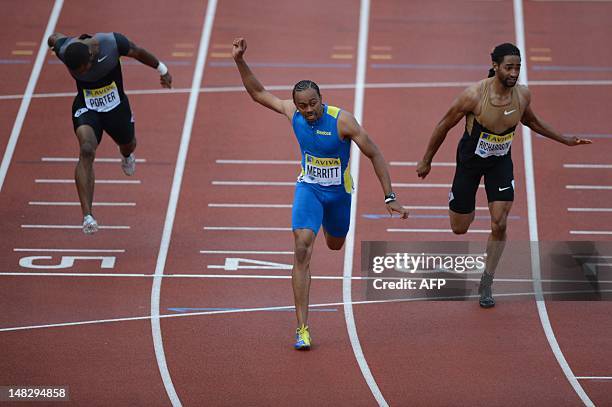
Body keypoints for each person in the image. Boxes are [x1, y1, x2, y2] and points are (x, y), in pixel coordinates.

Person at [232, 37, 408, 350]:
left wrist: (389, 195)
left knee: (335, 244)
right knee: (302, 247)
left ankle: (329, 226)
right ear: (296, 105)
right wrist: (240, 61)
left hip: (339, 194)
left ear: (321, 99)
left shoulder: (342, 121)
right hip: (309, 189)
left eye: (313, 103)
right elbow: (258, 93)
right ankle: (302, 328)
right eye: (303, 105)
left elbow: (375, 153)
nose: (309, 110)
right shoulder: (292, 113)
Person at [416, 43, 591, 308]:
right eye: (509, 67)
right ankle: (464, 204)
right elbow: (444, 124)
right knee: (459, 227)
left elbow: (531, 121)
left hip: (500, 163)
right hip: (470, 161)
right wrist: (426, 159)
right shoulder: (474, 95)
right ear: (495, 66)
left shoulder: (522, 95)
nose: (514, 72)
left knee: (499, 222)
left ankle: (487, 279)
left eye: (518, 67)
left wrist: (564, 140)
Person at [47, 32, 172, 234]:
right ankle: (88, 216)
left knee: (129, 143)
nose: (82, 74)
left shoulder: (111, 43)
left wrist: (162, 70)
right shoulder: (65, 50)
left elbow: (138, 52)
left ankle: (126, 155)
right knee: (86, 149)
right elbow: (54, 38)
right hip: (87, 106)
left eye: (83, 70)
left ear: (89, 58)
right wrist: (50, 44)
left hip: (116, 106)